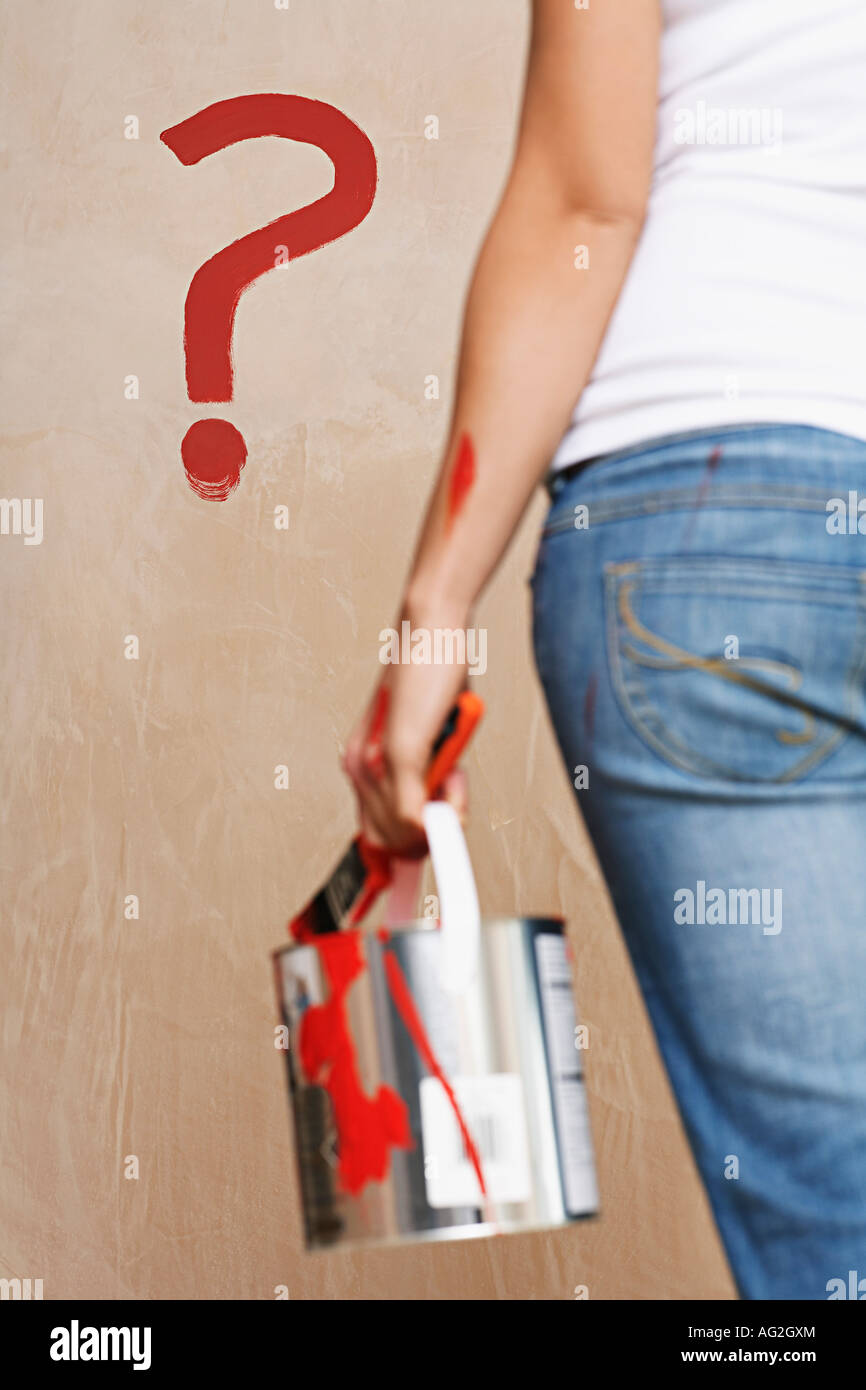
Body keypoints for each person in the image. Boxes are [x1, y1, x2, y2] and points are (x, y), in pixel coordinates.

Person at [342, 0, 866, 1300]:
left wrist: (432, 611)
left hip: (710, 521)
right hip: (717, 532)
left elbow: (585, 201)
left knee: (834, 1231)